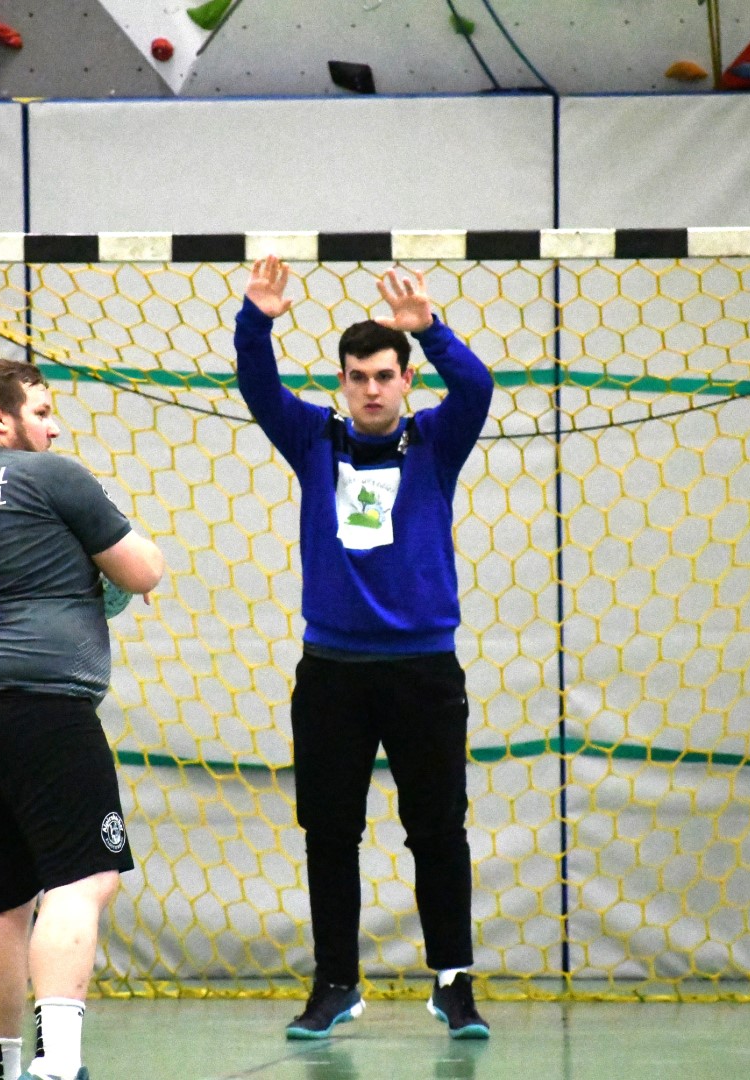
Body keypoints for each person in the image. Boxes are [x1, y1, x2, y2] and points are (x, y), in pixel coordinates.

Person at [234, 256, 494, 1040]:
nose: (371, 389)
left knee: (438, 831)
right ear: (341, 382)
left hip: (423, 671)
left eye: (385, 375)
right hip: (333, 674)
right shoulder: (313, 439)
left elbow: (477, 387)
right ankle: (336, 984)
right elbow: (257, 387)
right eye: (358, 377)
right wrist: (256, 320)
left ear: (406, 380)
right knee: (330, 834)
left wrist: (431, 330)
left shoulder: (436, 440)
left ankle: (453, 986)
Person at [0, 359, 164, 1080]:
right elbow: (142, 571)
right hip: (43, 707)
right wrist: (117, 565)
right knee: (84, 880)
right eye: (41, 412)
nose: (54, 428)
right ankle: (59, 1065)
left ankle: (2, 1072)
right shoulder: (52, 477)